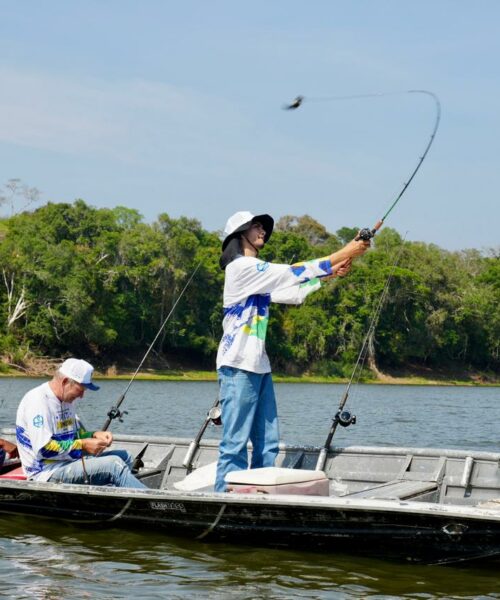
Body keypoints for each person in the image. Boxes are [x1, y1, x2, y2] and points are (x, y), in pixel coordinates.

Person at [215, 211, 370, 492]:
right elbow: (291, 271)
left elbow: (292, 292)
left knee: (268, 443)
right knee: (235, 443)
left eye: (263, 226)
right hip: (237, 366)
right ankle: (223, 497)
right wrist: (344, 251)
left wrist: (328, 275)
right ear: (240, 234)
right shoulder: (240, 268)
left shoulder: (256, 275)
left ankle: (259, 495)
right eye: (256, 226)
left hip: (259, 367)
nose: (262, 230)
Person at [16, 358, 146, 489]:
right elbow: (44, 449)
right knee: (114, 465)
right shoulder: (37, 401)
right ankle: (149, 504)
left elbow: (76, 435)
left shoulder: (67, 400)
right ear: (65, 382)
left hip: (68, 462)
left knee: (125, 457)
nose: (82, 396)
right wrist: (83, 445)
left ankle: (120, 498)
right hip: (45, 473)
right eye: (81, 389)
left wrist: (94, 435)